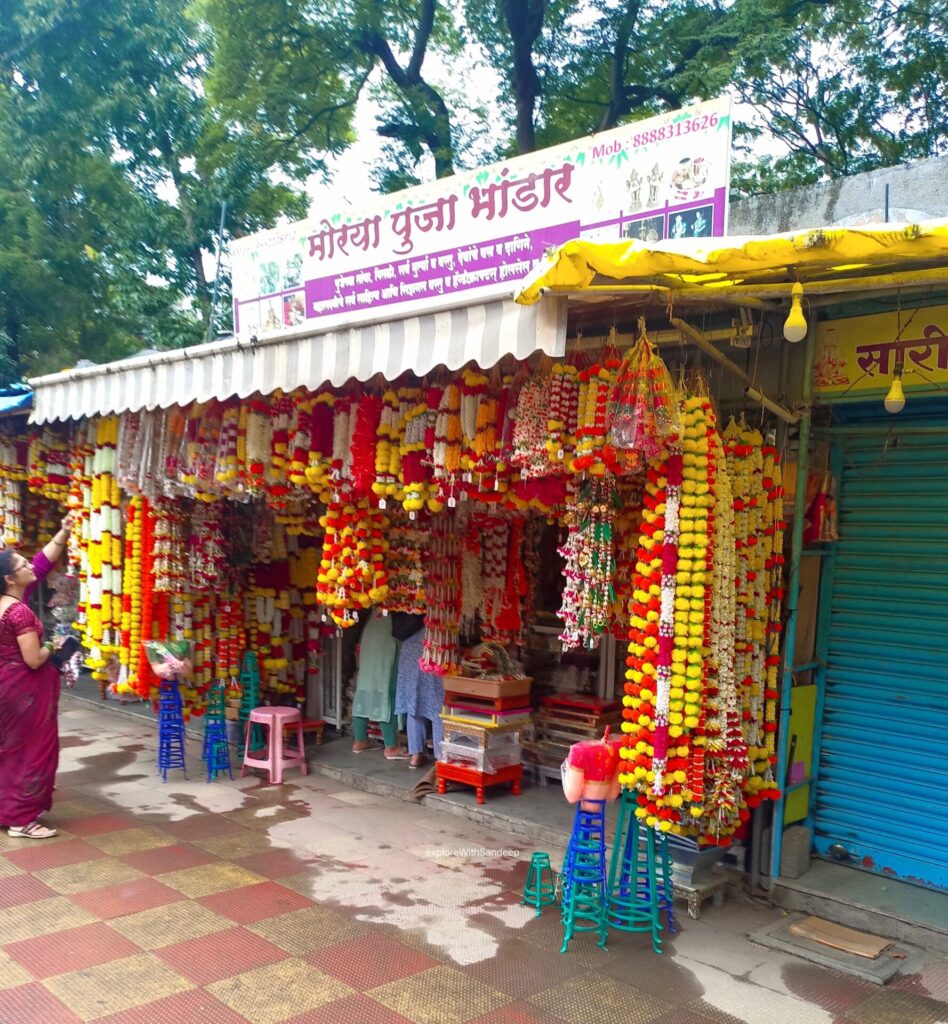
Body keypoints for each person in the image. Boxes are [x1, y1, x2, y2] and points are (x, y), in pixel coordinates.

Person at [0, 548, 69, 838]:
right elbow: (34, 659)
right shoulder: (19, 611)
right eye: (23, 564)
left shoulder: (2, 605)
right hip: (23, 691)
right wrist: (54, 645)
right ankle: (21, 820)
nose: (31, 566)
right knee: (31, 751)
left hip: (7, 686)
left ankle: (9, 811)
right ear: (9, 578)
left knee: (10, 751)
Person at [394, 619, 444, 770]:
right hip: (432, 648)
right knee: (437, 704)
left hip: (410, 648)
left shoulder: (409, 604)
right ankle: (440, 757)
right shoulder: (436, 610)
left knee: (413, 703)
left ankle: (416, 755)